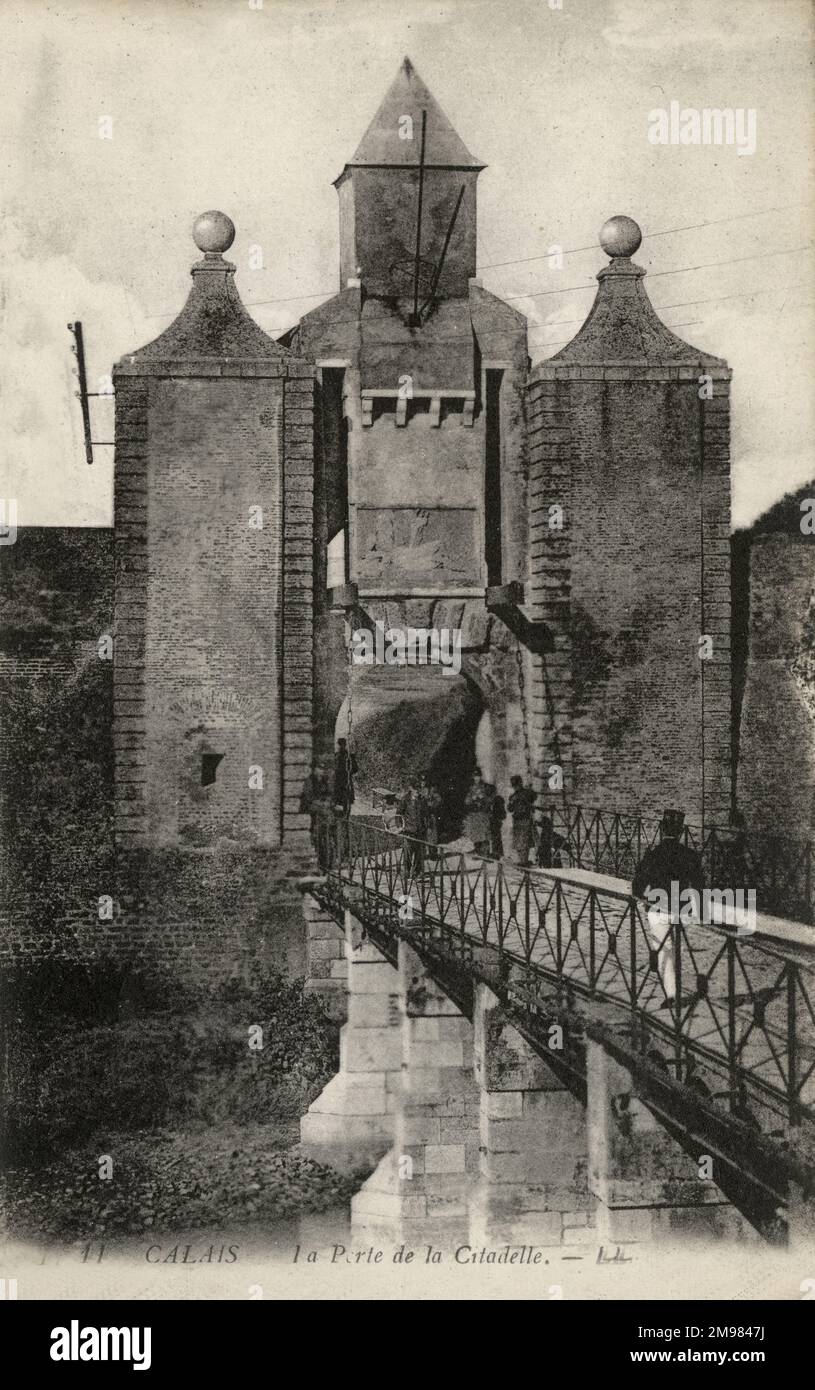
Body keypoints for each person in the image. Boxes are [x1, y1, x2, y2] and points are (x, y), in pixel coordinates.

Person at [632, 808, 704, 1009]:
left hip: (658, 909)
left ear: (662, 830)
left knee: (664, 950)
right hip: (682, 911)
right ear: (681, 832)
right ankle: (673, 977)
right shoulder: (690, 855)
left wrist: (644, 898)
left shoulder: (653, 854)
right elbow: (699, 885)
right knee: (675, 948)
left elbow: (638, 884)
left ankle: (672, 994)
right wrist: (697, 910)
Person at [399, 777, 425, 879]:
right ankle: (406, 871)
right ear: (411, 788)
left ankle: (416, 873)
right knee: (407, 853)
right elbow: (399, 814)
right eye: (415, 788)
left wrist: (425, 825)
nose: (417, 791)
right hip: (408, 830)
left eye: (419, 788)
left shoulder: (422, 800)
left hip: (420, 830)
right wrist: (401, 827)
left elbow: (425, 814)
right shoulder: (405, 799)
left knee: (419, 854)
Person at [507, 775, 536, 866]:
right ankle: (522, 860)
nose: (516, 787)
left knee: (524, 842)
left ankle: (524, 860)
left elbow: (533, 797)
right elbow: (510, 809)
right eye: (514, 786)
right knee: (519, 842)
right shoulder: (513, 796)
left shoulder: (527, 793)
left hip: (525, 820)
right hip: (517, 821)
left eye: (517, 785)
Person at [464, 769, 491, 856]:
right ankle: (477, 849)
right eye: (475, 776)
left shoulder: (485, 787)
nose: (476, 778)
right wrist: (472, 799)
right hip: (474, 813)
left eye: (478, 776)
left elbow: (489, 799)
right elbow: (467, 801)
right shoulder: (471, 788)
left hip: (482, 813)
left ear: (480, 777)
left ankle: (485, 852)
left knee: (484, 833)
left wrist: (482, 798)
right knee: (476, 832)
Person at [418, 773, 441, 856]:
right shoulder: (417, 790)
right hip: (420, 815)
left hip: (430, 815)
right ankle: (422, 854)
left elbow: (438, 800)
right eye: (421, 781)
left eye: (424, 781)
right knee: (421, 834)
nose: (423, 783)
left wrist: (431, 804)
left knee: (431, 835)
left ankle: (433, 853)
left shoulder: (432, 790)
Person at [333, 738, 357, 816]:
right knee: (339, 800)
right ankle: (343, 816)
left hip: (344, 780)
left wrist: (349, 771)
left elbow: (355, 769)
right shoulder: (336, 756)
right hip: (340, 780)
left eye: (342, 744)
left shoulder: (348, 756)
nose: (341, 746)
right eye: (340, 744)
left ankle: (345, 817)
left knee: (344, 800)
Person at [486, 783, 506, 859]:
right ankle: (493, 853)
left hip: (495, 821)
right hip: (490, 821)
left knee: (496, 837)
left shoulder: (498, 799)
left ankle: (497, 854)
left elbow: (503, 814)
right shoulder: (489, 800)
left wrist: (495, 815)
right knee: (492, 837)